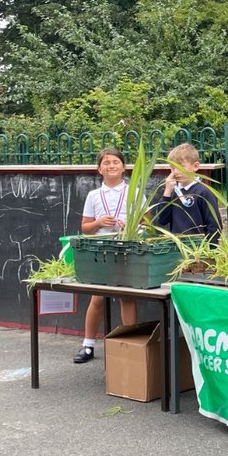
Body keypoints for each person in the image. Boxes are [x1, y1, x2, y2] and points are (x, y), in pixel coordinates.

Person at [75, 147, 137, 363]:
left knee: (127, 296)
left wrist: (130, 225)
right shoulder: (93, 195)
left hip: (127, 249)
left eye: (115, 162)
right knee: (97, 297)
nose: (111, 166)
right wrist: (99, 223)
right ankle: (88, 345)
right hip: (101, 251)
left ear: (124, 167)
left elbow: (147, 221)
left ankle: (131, 345)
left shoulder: (134, 192)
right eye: (106, 163)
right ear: (99, 169)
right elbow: (85, 227)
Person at [149, 143, 223, 241]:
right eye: (172, 168)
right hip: (177, 246)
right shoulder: (173, 192)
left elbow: (215, 226)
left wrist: (208, 247)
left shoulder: (204, 192)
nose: (176, 172)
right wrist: (167, 193)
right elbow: (163, 220)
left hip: (199, 246)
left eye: (181, 167)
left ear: (195, 166)